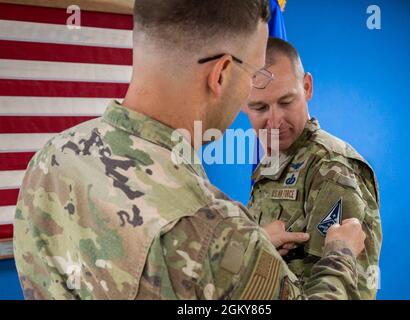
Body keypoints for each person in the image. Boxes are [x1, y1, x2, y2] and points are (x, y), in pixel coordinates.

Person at [14, 1, 365, 300]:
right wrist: (342, 253)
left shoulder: (53, 156)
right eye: (254, 75)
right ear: (222, 73)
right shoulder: (213, 231)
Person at [245, 37, 382, 299]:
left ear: (307, 87)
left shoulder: (332, 168)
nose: (274, 121)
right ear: (242, 101)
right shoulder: (274, 160)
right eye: (260, 107)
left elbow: (346, 289)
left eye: (286, 102)